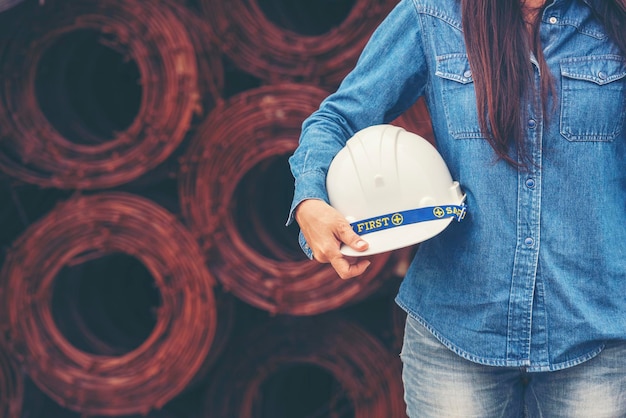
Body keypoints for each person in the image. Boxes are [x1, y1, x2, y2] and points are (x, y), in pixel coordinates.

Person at [286, 0, 626, 416]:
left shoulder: (615, 18)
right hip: (456, 332)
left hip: (596, 335)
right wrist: (310, 201)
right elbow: (338, 118)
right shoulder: (433, 14)